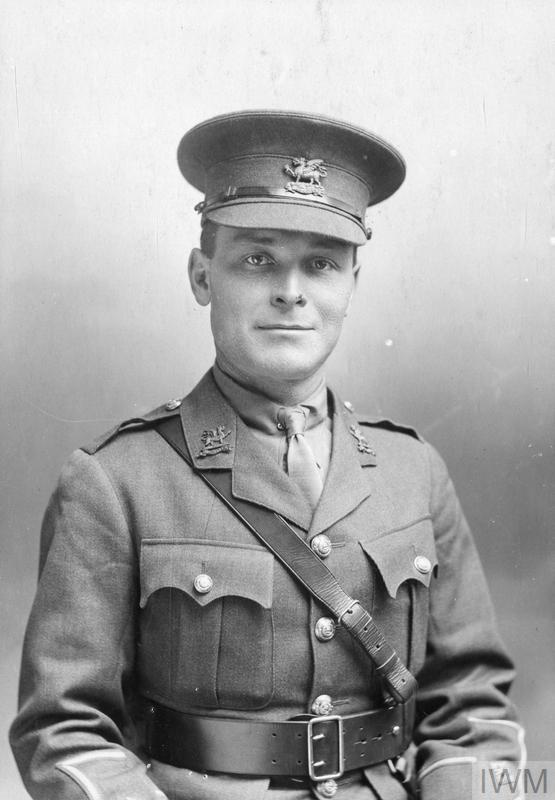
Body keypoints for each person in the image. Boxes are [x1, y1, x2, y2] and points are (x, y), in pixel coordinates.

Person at [10, 110, 524, 800]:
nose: (290, 291)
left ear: (352, 284)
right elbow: (63, 729)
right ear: (202, 277)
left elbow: (473, 704)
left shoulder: (413, 470)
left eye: (321, 263)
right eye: (257, 259)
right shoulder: (117, 480)